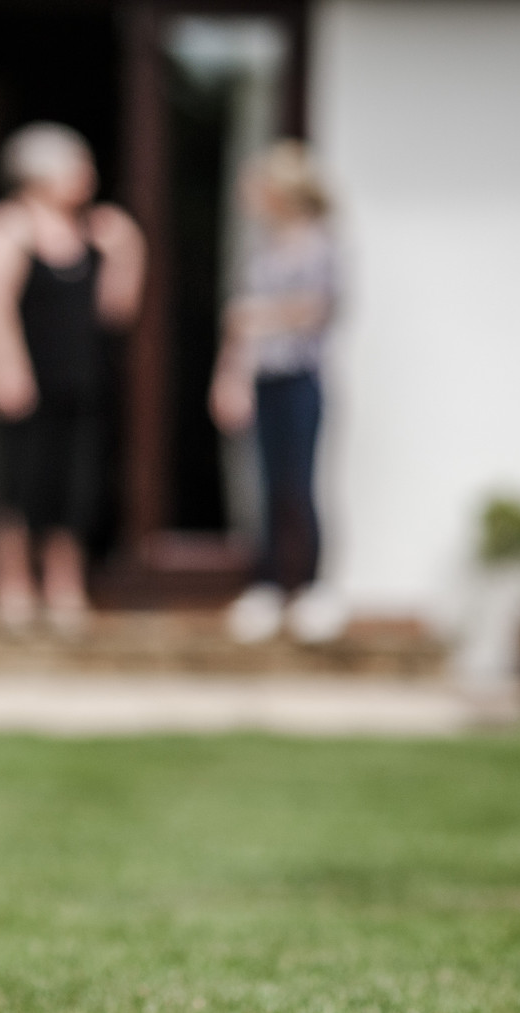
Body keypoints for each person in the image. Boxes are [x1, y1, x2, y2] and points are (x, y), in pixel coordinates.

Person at [0, 123, 145, 630]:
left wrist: (129, 250)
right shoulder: (7, 226)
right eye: (77, 166)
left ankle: (64, 588)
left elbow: (117, 311)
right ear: (39, 174)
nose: (87, 176)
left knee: (76, 483)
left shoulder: (95, 232)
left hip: (81, 377)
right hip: (26, 377)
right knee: (19, 482)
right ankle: (14, 588)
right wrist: (5, 367)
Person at [209, 140, 342, 644]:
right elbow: (236, 328)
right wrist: (229, 379)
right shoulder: (259, 248)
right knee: (261, 485)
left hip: (300, 379)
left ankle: (311, 589)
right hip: (260, 378)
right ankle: (264, 586)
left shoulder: (320, 245)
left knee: (299, 483)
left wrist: (259, 315)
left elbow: (316, 309)